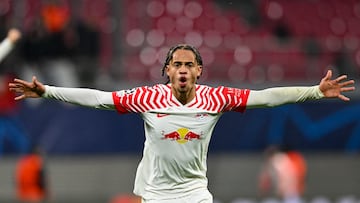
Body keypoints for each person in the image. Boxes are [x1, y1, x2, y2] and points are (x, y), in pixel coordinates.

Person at [8, 44, 355, 203]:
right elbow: (99, 98)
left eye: (190, 64)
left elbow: (265, 96)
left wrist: (314, 91)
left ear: (199, 71)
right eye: (177, 64)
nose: (184, 69)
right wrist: (48, 91)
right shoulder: (148, 97)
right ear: (168, 71)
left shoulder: (215, 98)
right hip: (156, 195)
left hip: (195, 194)